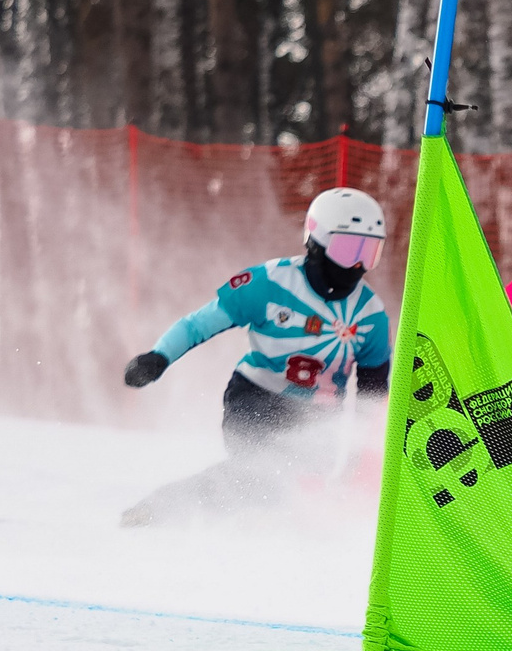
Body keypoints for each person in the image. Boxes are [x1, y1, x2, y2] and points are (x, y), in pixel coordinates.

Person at [117, 186, 394, 525]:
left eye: (370, 252)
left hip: (318, 419)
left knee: (288, 492)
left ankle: (254, 538)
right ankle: (161, 510)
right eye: (349, 248)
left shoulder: (371, 316)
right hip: (256, 397)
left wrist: (358, 451)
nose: (357, 264)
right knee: (261, 473)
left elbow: (374, 394)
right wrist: (159, 357)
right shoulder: (269, 283)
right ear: (317, 239)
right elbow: (199, 324)